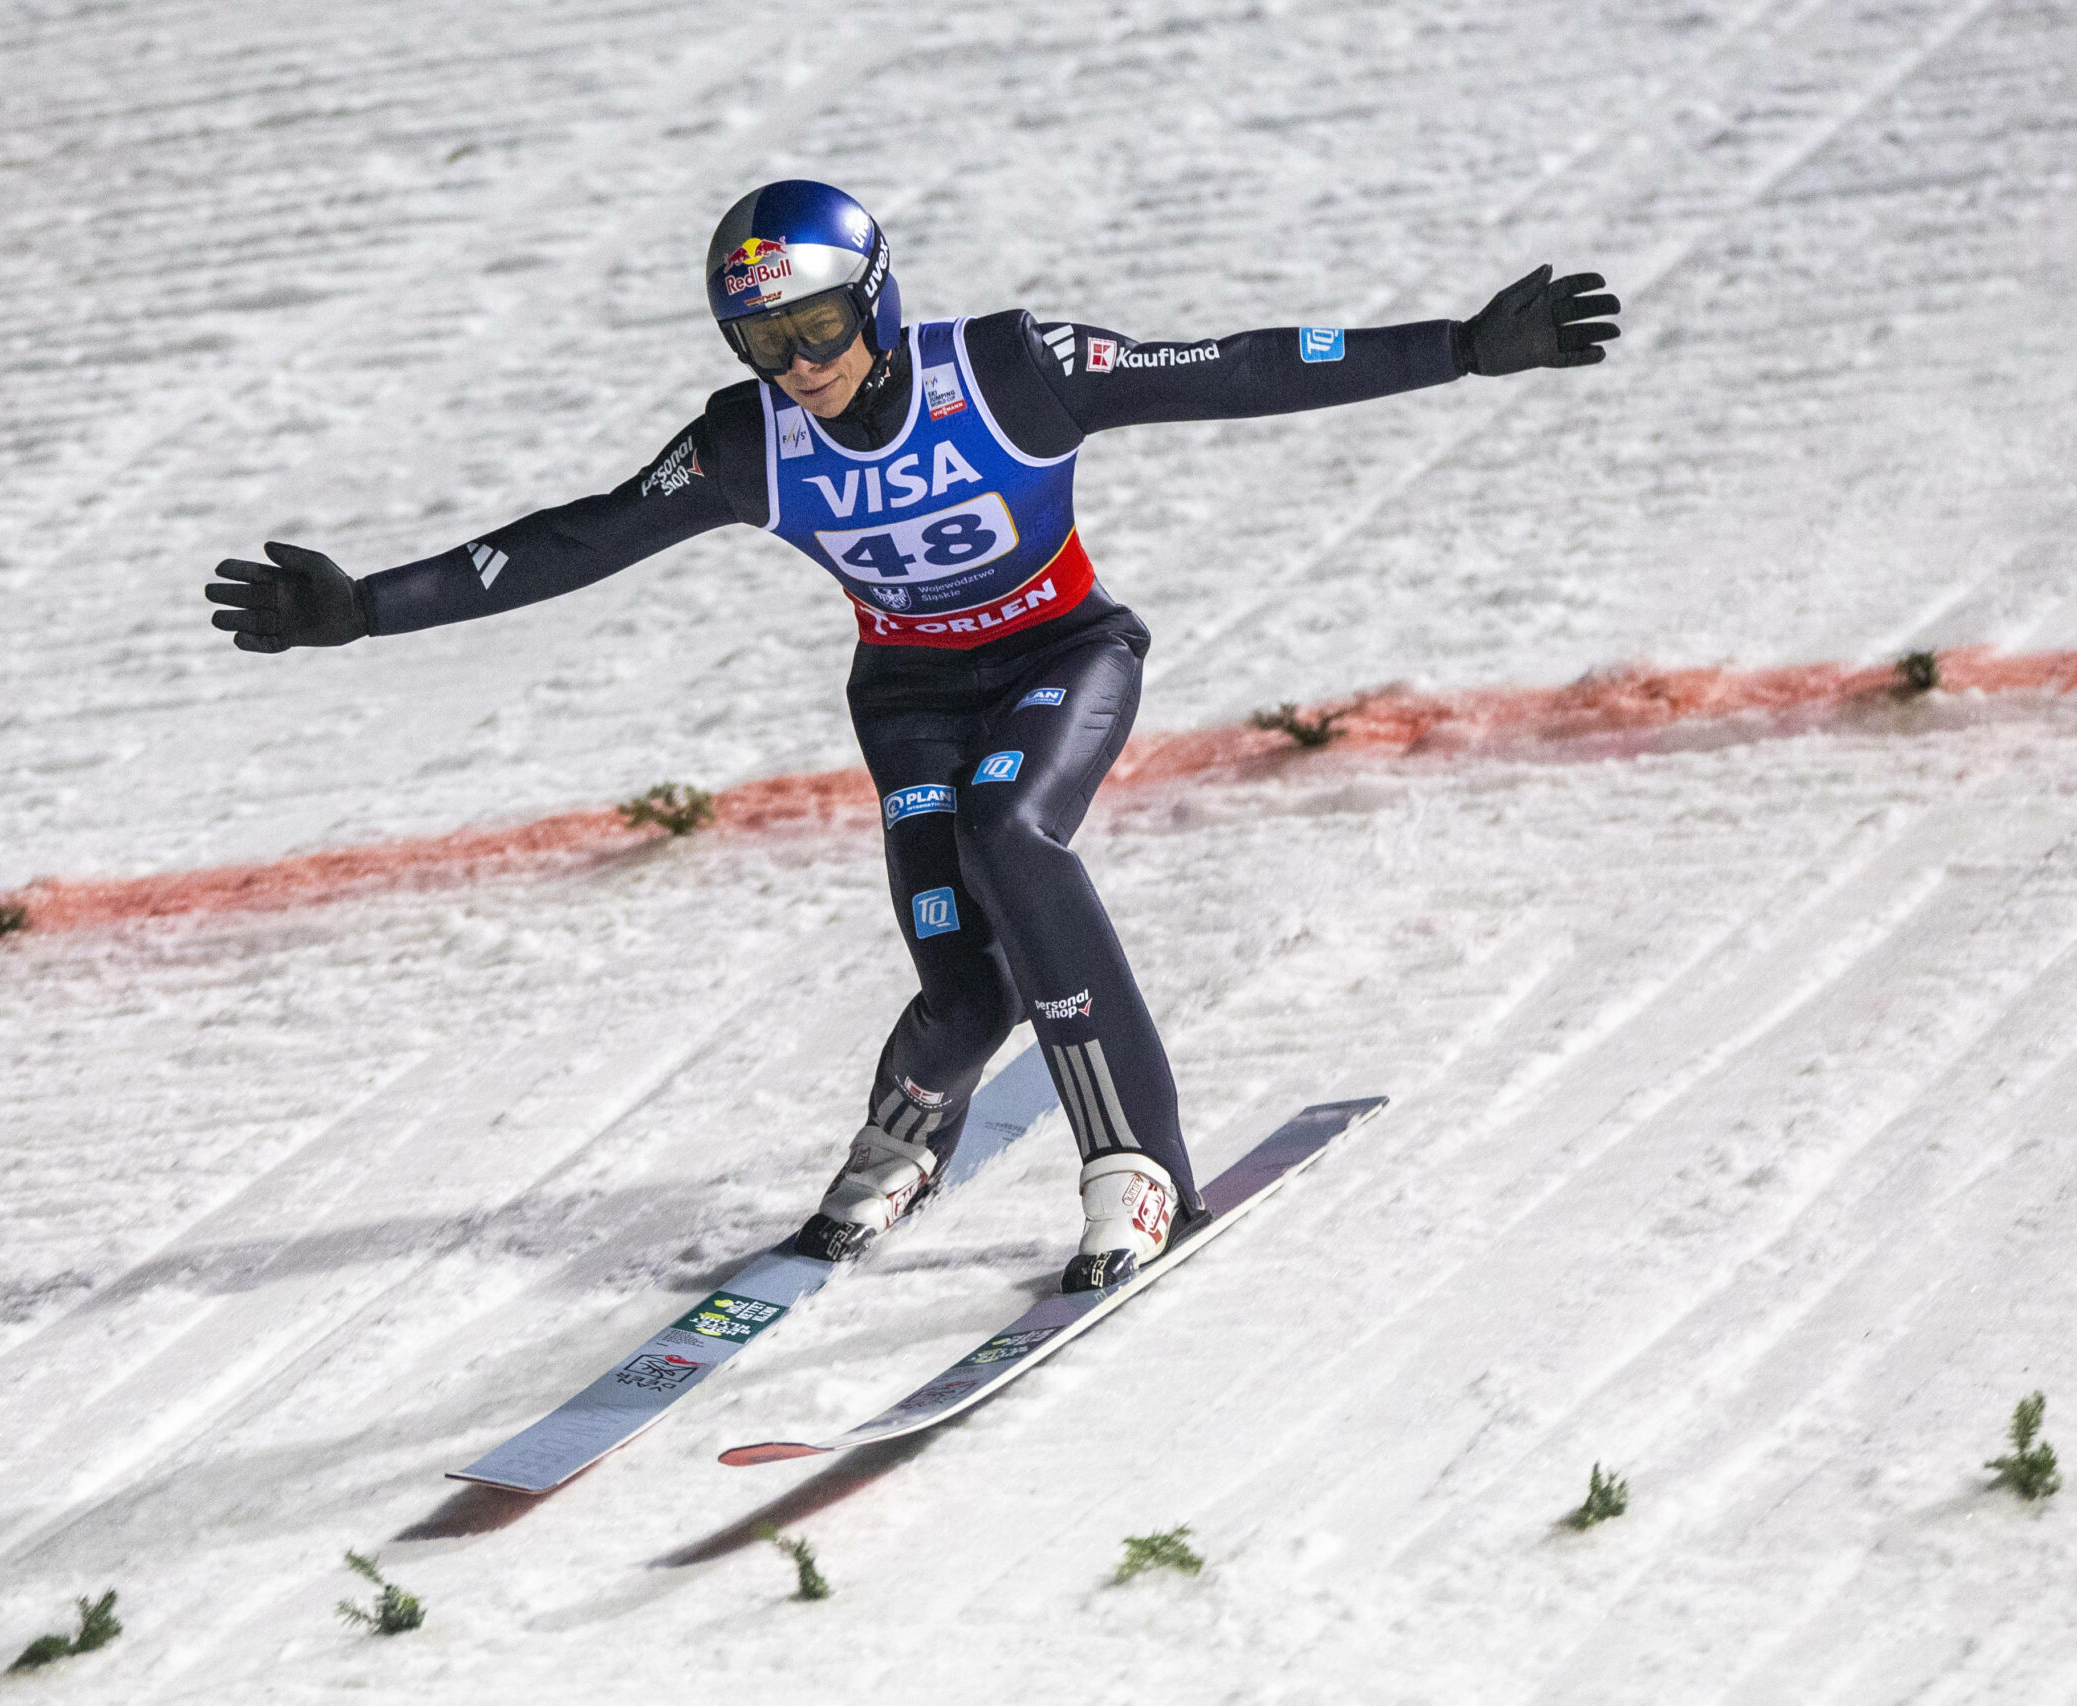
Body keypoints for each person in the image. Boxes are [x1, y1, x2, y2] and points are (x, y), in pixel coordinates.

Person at [207, 180, 1619, 1292]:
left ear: (877, 305)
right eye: (765, 344)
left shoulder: (1011, 367)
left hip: (1065, 658)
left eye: (818, 332)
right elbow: (580, 535)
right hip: (911, 700)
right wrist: (366, 611)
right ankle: (904, 1140)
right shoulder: (751, 440)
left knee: (1016, 834)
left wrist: (1461, 351)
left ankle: (1132, 1162)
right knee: (961, 982)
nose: (800, 367)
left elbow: (1238, 368)